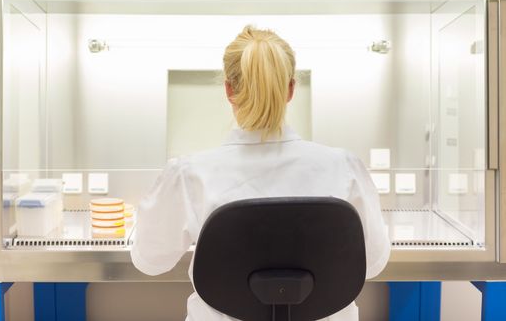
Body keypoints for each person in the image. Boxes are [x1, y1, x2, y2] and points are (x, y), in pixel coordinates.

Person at [131, 25, 390, 321]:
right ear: (291, 89)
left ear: (229, 90)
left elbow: (150, 261)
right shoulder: (344, 168)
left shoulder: (189, 174)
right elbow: (373, 264)